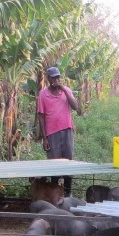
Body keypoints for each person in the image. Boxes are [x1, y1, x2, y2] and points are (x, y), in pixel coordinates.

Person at [37, 66, 83, 197]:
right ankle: (55, 192)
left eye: (58, 77)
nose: (56, 80)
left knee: (68, 160)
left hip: (67, 130)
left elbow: (75, 106)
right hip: (52, 133)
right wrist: (44, 138)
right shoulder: (43, 94)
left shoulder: (66, 90)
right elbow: (41, 116)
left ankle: (68, 192)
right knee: (54, 163)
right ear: (48, 79)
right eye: (53, 78)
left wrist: (64, 89)